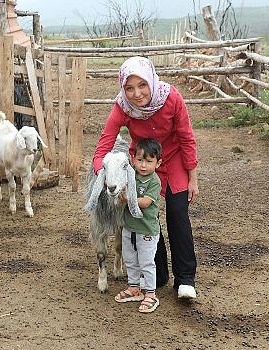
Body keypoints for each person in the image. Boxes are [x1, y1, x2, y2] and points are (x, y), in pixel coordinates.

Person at [92, 56, 199, 300]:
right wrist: (105, 174)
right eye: (129, 88)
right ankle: (157, 274)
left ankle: (185, 279)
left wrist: (193, 177)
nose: (137, 94)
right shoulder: (122, 107)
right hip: (143, 165)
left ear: (151, 80)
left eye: (142, 85)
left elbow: (187, 138)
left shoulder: (171, 98)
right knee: (146, 215)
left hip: (173, 162)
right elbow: (103, 148)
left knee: (177, 213)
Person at [114, 138, 163, 313]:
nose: (143, 165)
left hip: (146, 231)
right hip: (129, 228)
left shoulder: (154, 181)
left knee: (147, 262)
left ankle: (150, 294)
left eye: (149, 161)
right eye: (140, 160)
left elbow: (145, 203)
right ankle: (134, 288)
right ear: (133, 159)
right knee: (130, 260)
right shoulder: (131, 176)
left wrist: (127, 198)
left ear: (158, 163)